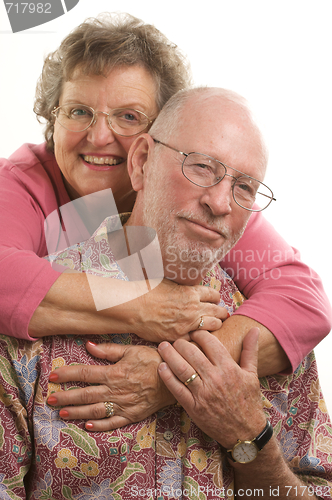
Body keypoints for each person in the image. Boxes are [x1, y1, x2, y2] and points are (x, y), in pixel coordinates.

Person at [1, 87, 331, 499]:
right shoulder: (24, 328)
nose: (220, 202)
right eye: (202, 167)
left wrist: (251, 440)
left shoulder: (268, 332)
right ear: (141, 163)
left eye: (244, 187)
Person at [0, 13, 330, 425]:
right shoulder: (21, 181)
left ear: (154, 140)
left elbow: (304, 299)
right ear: (54, 118)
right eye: (79, 111)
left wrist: (171, 375)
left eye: (128, 116)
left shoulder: (200, 203)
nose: (99, 137)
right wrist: (141, 307)